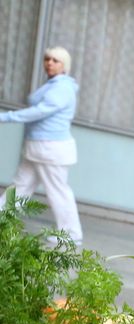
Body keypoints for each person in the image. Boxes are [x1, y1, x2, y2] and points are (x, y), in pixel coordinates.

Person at [1, 47, 82, 245]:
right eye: (47, 59)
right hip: (39, 148)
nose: (50, 63)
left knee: (58, 192)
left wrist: (6, 117)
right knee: (21, 186)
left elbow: (40, 111)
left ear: (64, 66)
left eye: (56, 60)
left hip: (50, 149)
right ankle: (3, 217)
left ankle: (71, 234)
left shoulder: (62, 88)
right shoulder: (53, 85)